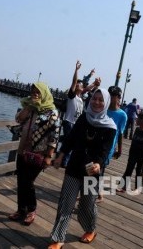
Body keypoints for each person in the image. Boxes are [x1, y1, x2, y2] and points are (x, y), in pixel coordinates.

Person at [49, 88, 116, 248]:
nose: (96, 102)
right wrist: (60, 154)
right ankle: (58, 238)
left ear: (105, 102)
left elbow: (105, 150)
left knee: (87, 205)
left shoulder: (110, 127)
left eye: (101, 100)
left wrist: (99, 163)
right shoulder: (82, 119)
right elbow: (70, 139)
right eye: (94, 99)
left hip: (92, 171)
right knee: (66, 203)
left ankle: (90, 229)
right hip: (74, 166)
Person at [8, 82, 61, 226]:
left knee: (28, 181)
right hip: (22, 150)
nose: (35, 94)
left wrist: (49, 156)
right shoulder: (29, 106)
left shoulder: (52, 112)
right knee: (21, 180)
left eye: (38, 92)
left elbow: (54, 136)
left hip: (38, 153)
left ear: (44, 93)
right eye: (33, 92)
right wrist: (29, 106)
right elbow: (18, 119)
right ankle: (21, 209)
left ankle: (32, 210)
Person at [61, 61, 100, 167]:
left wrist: (95, 84)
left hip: (76, 124)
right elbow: (74, 82)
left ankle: (65, 160)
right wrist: (76, 70)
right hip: (68, 122)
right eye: (78, 84)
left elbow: (87, 88)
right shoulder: (72, 96)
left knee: (73, 143)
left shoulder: (80, 97)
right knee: (70, 143)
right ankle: (64, 163)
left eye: (81, 84)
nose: (80, 85)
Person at [97, 86, 127, 202]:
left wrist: (120, 149)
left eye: (113, 95)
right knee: (93, 170)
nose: (110, 97)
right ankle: (95, 194)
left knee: (99, 171)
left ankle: (95, 195)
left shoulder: (122, 115)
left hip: (108, 148)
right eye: (109, 95)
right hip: (97, 144)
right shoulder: (103, 108)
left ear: (119, 97)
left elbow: (120, 133)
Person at [117, 112, 143, 193]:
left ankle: (138, 188)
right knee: (129, 169)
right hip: (133, 153)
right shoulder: (137, 129)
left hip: (142, 155)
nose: (136, 119)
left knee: (139, 171)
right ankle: (123, 187)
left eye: (138, 118)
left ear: (142, 120)